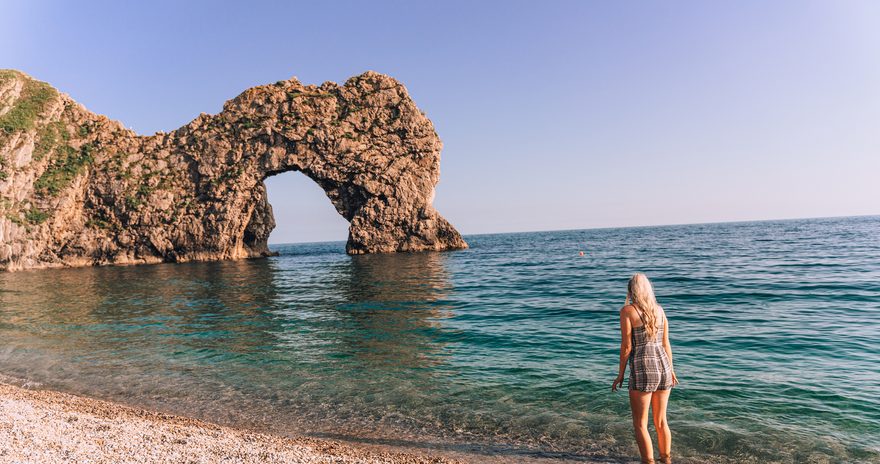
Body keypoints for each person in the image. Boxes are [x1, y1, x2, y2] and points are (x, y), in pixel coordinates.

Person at [612, 273, 679, 464]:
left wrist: (620, 375)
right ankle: (666, 460)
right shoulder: (660, 310)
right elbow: (666, 344)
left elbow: (626, 347)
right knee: (661, 421)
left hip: (643, 369)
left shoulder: (628, 311)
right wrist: (672, 370)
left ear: (631, 291)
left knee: (640, 424)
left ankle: (648, 461)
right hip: (664, 368)